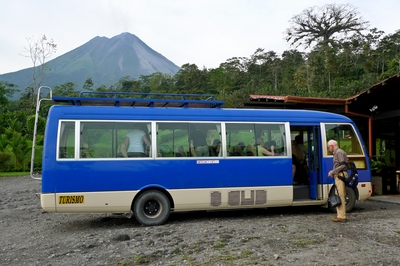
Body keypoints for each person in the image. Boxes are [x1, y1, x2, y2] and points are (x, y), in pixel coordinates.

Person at [328, 139, 348, 222]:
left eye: (329, 147)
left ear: (331, 146)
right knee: (338, 195)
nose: (329, 149)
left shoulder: (339, 152)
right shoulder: (337, 152)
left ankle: (342, 216)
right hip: (339, 175)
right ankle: (339, 215)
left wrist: (333, 172)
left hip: (340, 175)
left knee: (341, 196)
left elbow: (343, 165)